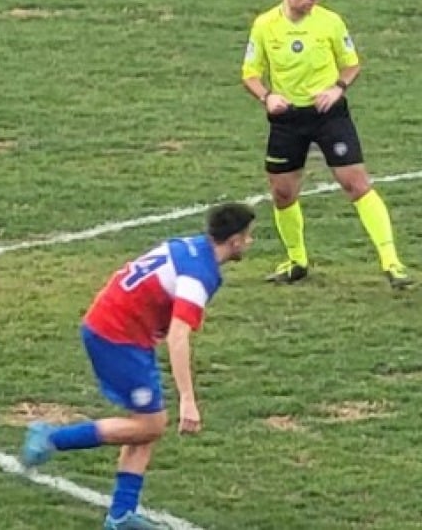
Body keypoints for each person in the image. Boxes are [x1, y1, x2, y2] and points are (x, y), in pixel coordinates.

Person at [19, 203, 255, 530]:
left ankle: (121, 514)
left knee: (149, 421)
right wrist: (188, 398)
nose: (250, 242)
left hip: (121, 330)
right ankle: (52, 437)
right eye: (248, 236)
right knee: (151, 426)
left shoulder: (190, 246)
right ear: (235, 241)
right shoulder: (200, 275)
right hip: (117, 336)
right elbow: (178, 336)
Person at [241, 0, 411, 287]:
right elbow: (249, 73)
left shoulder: (330, 22)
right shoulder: (265, 25)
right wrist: (267, 98)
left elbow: (351, 65)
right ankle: (296, 261)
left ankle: (392, 263)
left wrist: (338, 88)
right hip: (286, 119)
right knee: (282, 193)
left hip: (328, 115)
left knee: (356, 184)